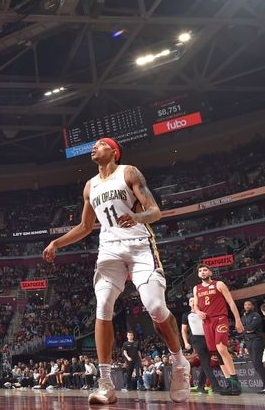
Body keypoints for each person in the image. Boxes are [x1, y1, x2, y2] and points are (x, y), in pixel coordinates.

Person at [42, 137, 190, 404]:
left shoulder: (129, 172)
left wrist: (137, 217)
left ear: (114, 151)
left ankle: (180, 364)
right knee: (103, 306)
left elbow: (155, 212)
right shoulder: (90, 186)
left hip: (139, 244)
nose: (94, 147)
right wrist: (57, 242)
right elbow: (86, 227)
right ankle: (106, 383)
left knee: (155, 308)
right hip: (109, 248)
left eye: (100, 144)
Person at [193, 263, 244, 395]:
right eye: (200, 271)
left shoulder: (219, 284)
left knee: (221, 348)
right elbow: (196, 306)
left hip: (220, 318)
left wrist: (238, 320)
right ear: (198, 274)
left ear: (210, 273)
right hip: (207, 322)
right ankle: (229, 384)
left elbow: (231, 302)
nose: (203, 272)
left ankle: (236, 384)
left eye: (205, 270)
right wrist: (197, 311)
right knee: (216, 352)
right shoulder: (196, 288)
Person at [181, 296, 223, 394]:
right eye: (190, 301)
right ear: (189, 303)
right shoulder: (186, 315)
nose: (192, 302)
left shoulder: (204, 313)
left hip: (207, 337)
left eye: (194, 300)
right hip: (195, 339)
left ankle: (200, 386)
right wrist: (186, 342)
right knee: (205, 363)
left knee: (206, 363)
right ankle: (216, 387)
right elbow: (183, 330)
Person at [242, 300, 265, 393]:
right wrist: (246, 330)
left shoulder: (256, 315)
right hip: (248, 342)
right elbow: (240, 329)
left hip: (257, 340)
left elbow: (251, 328)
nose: (247, 306)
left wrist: (246, 329)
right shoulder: (242, 317)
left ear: (252, 306)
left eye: (249, 304)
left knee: (257, 363)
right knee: (256, 365)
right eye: (245, 304)